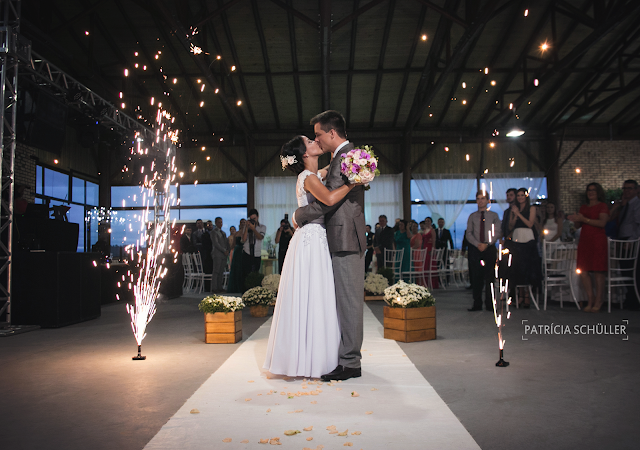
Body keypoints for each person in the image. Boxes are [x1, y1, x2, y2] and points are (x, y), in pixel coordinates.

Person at [264, 132, 359, 379]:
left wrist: (357, 163)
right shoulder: (308, 177)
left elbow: (333, 166)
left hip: (312, 238)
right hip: (313, 239)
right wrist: (353, 183)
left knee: (315, 295)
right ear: (304, 154)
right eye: (309, 141)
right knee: (316, 294)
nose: (315, 141)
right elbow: (327, 198)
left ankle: (310, 356)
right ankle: (315, 358)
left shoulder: (314, 175)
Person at [292, 110, 366, 382]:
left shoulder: (347, 157)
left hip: (345, 236)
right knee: (339, 303)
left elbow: (327, 200)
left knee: (348, 303)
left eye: (318, 134)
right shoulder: (341, 158)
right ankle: (342, 356)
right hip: (336, 236)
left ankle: (350, 363)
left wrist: (298, 216)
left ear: (332, 133)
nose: (317, 139)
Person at [568, 183, 610, 313]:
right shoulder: (583, 207)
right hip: (585, 240)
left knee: (598, 270)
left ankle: (599, 300)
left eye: (593, 190)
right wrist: (576, 219)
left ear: (598, 192)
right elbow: (578, 225)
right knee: (584, 270)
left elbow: (602, 222)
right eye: (589, 190)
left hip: (597, 240)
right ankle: (590, 299)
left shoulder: (602, 206)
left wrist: (584, 219)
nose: (591, 192)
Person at [466, 191, 501, 311]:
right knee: (476, 277)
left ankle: (490, 304)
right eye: (478, 198)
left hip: (489, 248)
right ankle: (477, 303)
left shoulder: (494, 216)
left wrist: (487, 244)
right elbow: (469, 233)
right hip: (476, 248)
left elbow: (497, 232)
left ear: (488, 200)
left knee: (490, 277)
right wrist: (477, 244)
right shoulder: (472, 216)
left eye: (483, 198)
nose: (480, 201)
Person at [507, 188, 542, 307]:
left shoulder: (531, 208)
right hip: (517, 238)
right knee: (518, 268)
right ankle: (520, 294)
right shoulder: (514, 208)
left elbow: (530, 224)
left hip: (527, 238)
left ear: (526, 197)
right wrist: (514, 215)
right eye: (518, 195)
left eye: (522, 195)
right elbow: (511, 226)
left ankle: (527, 295)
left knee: (528, 267)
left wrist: (518, 214)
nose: (520, 197)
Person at [608, 180, 640, 310]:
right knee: (624, 269)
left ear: (636, 190)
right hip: (621, 238)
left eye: (630, 188)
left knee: (633, 271)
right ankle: (629, 298)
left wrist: (632, 240)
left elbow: (637, 224)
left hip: (631, 240)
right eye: (625, 188)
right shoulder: (624, 205)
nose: (626, 191)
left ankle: (635, 299)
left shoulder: (637, 204)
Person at [241, 209, 266, 283]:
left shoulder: (262, 227)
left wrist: (254, 229)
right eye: (251, 219)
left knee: (255, 273)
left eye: (254, 219)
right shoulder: (246, 227)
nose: (253, 221)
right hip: (247, 252)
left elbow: (260, 237)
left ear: (258, 217)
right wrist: (246, 227)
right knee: (245, 274)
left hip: (257, 253)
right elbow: (243, 239)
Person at [211, 217, 229, 292]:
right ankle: (214, 288)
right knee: (216, 271)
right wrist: (224, 250)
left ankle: (220, 287)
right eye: (219, 222)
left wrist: (228, 250)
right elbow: (216, 243)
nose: (220, 224)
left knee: (221, 272)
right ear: (215, 223)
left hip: (223, 255)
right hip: (217, 254)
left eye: (221, 222)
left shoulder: (223, 233)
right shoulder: (213, 232)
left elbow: (226, 243)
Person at [226, 220, 245, 293]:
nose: (243, 224)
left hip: (244, 251)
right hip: (237, 251)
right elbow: (233, 244)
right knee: (236, 269)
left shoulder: (247, 233)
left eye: (244, 223)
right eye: (241, 223)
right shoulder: (236, 233)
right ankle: (235, 287)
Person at [422, 217, 438, 289]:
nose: (427, 222)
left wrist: (433, 249)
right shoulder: (424, 230)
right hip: (425, 247)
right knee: (425, 266)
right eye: (426, 221)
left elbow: (434, 240)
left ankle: (433, 283)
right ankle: (426, 283)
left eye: (428, 221)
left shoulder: (432, 230)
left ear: (431, 222)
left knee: (430, 265)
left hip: (429, 248)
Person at [201, 220, 214, 290]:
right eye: (209, 225)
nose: (210, 226)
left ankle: (213, 286)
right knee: (207, 270)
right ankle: (207, 287)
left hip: (213, 254)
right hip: (207, 255)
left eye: (211, 225)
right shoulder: (204, 235)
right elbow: (204, 245)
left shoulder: (214, 233)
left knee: (213, 270)